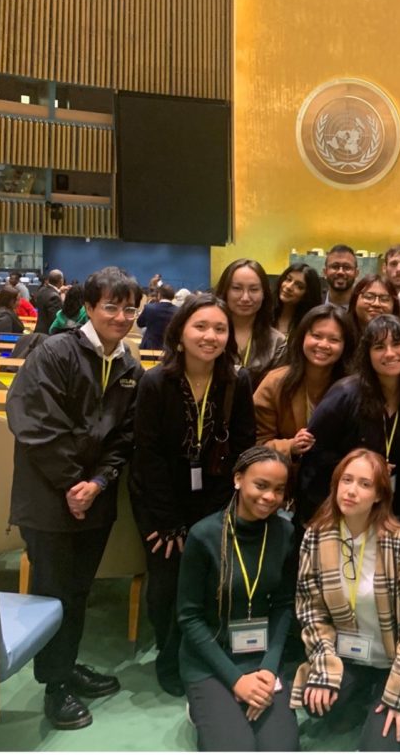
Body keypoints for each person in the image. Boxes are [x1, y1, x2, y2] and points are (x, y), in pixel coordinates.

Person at [6, 266, 144, 730]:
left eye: (129, 308)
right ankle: (53, 686)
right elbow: (35, 424)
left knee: (79, 590)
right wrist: (72, 484)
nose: (121, 316)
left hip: (94, 501)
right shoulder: (54, 352)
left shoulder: (128, 366)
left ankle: (66, 667)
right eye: (111, 306)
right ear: (88, 307)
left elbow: (125, 437)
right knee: (53, 593)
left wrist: (100, 483)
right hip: (48, 499)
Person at [130, 293, 257, 697]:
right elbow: (146, 455)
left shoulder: (237, 381)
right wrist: (167, 522)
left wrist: (219, 514)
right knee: (166, 584)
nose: (211, 336)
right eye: (200, 327)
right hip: (162, 502)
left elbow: (243, 448)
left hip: (216, 502)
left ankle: (205, 656)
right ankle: (169, 657)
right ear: (180, 334)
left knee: (209, 584)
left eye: (220, 328)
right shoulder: (155, 382)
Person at [291, 448, 400, 751]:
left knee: (377, 746)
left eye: (364, 484)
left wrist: (399, 696)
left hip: (395, 662)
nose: (351, 490)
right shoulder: (316, 537)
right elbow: (311, 613)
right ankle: (359, 694)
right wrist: (324, 668)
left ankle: (380, 696)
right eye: (346, 480)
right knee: (316, 702)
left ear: (379, 495)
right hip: (349, 657)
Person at [177, 446, 299, 752]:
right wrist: (236, 681)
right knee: (236, 746)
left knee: (281, 749)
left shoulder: (284, 532)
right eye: (261, 485)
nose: (270, 497)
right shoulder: (203, 535)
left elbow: (284, 606)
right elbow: (188, 617)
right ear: (238, 480)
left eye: (279, 490)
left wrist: (268, 671)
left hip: (261, 658)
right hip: (211, 660)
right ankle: (204, 708)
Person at [299, 315, 400, 553]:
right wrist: (365, 471)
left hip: (397, 515)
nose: (390, 353)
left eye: (397, 344)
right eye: (379, 347)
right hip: (344, 512)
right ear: (367, 354)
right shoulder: (344, 394)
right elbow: (313, 455)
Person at [254, 304, 355, 462]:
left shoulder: (353, 388)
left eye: (334, 339)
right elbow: (256, 443)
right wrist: (290, 447)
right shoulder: (275, 382)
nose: (323, 345)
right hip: (283, 478)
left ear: (345, 346)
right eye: (316, 336)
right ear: (302, 337)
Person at [216, 259, 286, 391]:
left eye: (254, 289)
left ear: (264, 293)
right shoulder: (209, 335)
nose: (245, 298)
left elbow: (273, 392)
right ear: (225, 291)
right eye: (237, 288)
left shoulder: (277, 342)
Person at [272, 262, 323, 337]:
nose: (289, 287)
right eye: (288, 279)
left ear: (308, 295)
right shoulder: (263, 313)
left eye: (299, 286)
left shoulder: (310, 325)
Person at [349, 274, 400, 339]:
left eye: (384, 299)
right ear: (355, 300)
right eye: (369, 297)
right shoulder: (341, 333)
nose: (376, 304)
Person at [138, 283, 178, 351]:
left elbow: (140, 323)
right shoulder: (178, 311)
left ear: (159, 295)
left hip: (149, 347)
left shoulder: (149, 308)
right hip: (170, 349)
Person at [323, 245, 359, 310]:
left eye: (347, 267)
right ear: (325, 272)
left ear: (356, 273)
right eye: (335, 266)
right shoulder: (313, 304)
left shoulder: (363, 309)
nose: (340, 272)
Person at [33, 269, 65, 334]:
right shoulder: (54, 297)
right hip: (47, 334)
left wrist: (59, 292)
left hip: (38, 330)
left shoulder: (42, 290)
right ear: (61, 281)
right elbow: (55, 320)